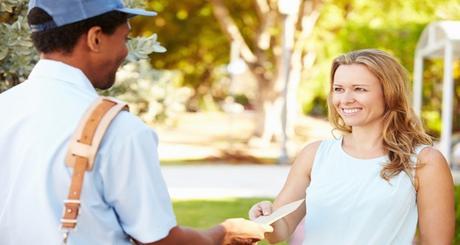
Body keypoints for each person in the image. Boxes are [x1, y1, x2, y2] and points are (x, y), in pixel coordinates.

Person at [0, 0, 272, 244]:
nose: (125, 52)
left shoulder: (5, 108)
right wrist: (222, 234)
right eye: (125, 38)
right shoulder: (119, 130)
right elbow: (159, 241)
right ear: (95, 38)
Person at [248, 49, 455, 244]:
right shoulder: (314, 155)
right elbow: (280, 231)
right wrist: (267, 217)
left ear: (390, 94)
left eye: (359, 89)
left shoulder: (425, 162)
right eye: (338, 89)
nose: (345, 100)